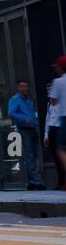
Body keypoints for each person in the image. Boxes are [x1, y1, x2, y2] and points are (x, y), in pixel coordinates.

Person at [8, 80, 45, 190]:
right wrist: (24, 120)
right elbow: (11, 113)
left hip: (33, 129)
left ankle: (31, 182)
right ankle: (35, 181)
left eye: (26, 86)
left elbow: (33, 113)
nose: (25, 88)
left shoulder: (29, 100)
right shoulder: (15, 99)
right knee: (29, 155)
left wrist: (35, 122)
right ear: (18, 88)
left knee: (33, 155)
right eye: (22, 87)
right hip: (24, 130)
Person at [51, 57, 66, 190]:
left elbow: (53, 101)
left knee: (60, 148)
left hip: (64, 118)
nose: (55, 68)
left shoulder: (58, 82)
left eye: (57, 66)